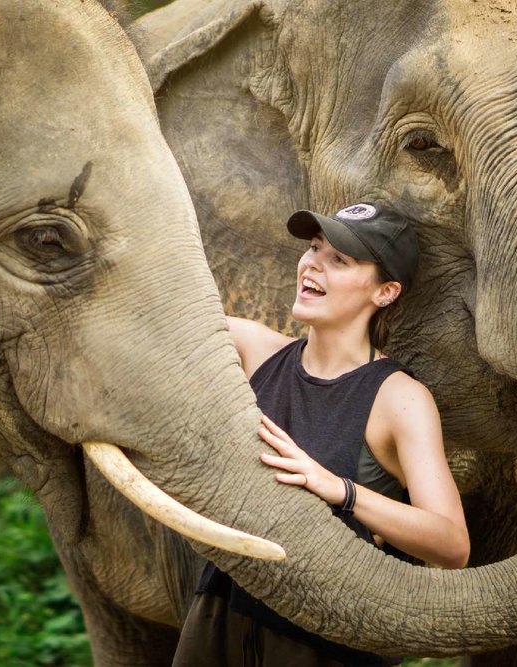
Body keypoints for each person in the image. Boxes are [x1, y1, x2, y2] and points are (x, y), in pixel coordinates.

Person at [172, 202, 470, 667]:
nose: (311, 263)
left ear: (386, 292)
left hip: (324, 645)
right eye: (314, 248)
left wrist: (339, 490)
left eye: (340, 260)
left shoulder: (399, 400)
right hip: (218, 619)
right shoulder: (253, 351)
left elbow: (451, 544)